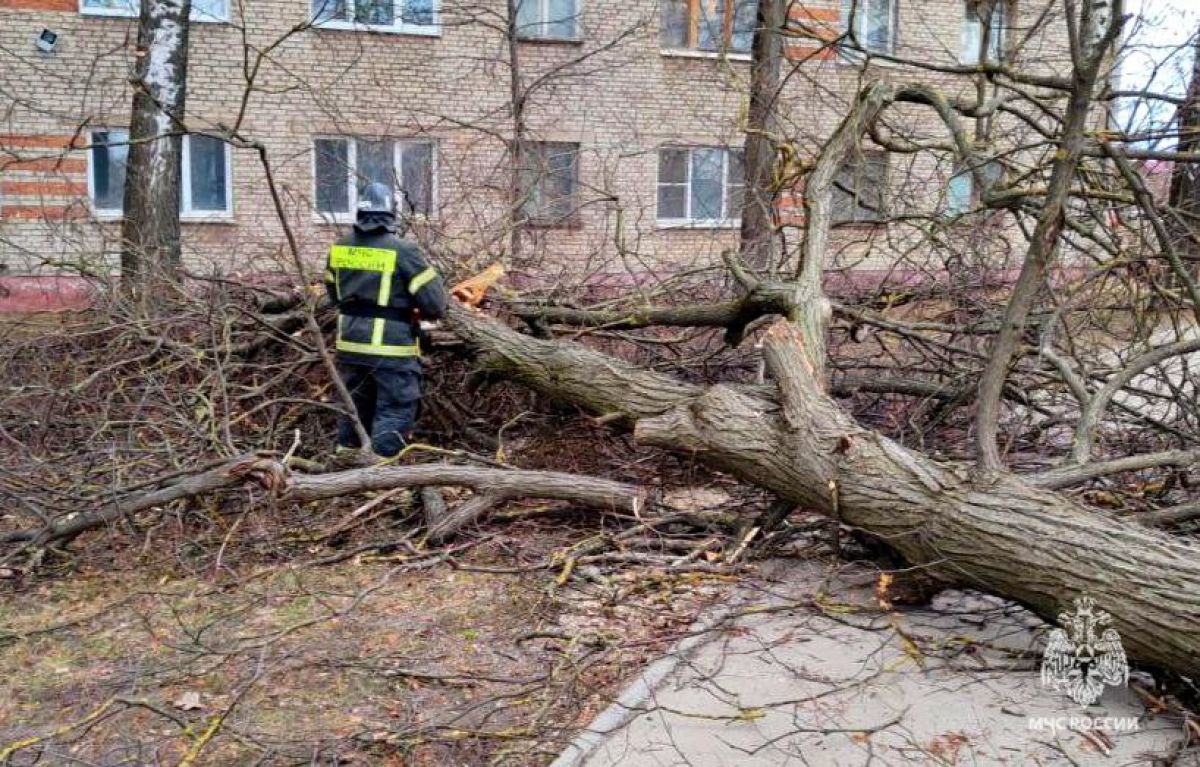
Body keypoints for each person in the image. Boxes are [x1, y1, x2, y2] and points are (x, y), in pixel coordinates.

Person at [323, 182, 448, 462]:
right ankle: (380, 472)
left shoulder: (339, 249)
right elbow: (435, 304)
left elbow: (333, 295)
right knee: (395, 407)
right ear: (392, 214)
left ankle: (346, 463)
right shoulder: (402, 251)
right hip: (391, 350)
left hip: (350, 346)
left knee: (355, 406)